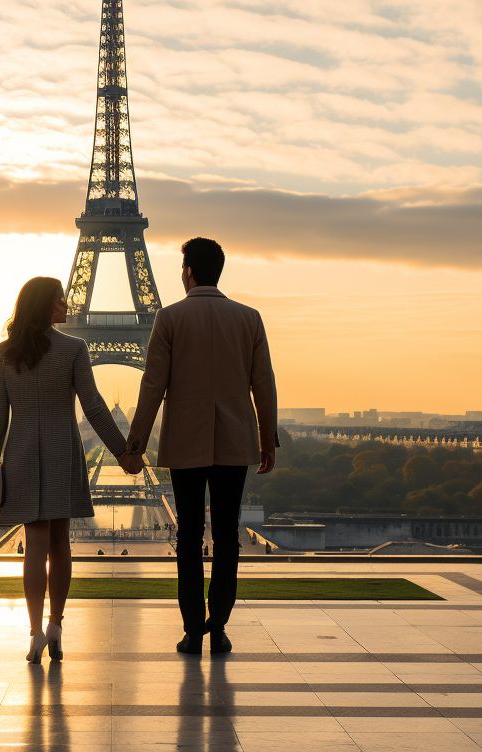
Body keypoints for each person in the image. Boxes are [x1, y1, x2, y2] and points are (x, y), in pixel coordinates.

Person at [124, 237, 277, 655]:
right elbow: (263, 384)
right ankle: (219, 626)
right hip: (234, 443)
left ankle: (193, 629)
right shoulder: (249, 318)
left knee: (188, 536)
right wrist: (268, 440)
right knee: (227, 536)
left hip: (185, 444)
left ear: (188, 271)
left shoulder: (169, 318)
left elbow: (153, 385)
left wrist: (134, 445)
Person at [0, 276, 131, 663]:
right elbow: (95, 407)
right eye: (60, 300)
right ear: (43, 306)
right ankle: (56, 625)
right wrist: (123, 452)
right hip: (62, 450)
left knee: (34, 546)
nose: (67, 306)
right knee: (60, 544)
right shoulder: (73, 349)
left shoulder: (5, 352)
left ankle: (33, 632)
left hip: (20, 451)